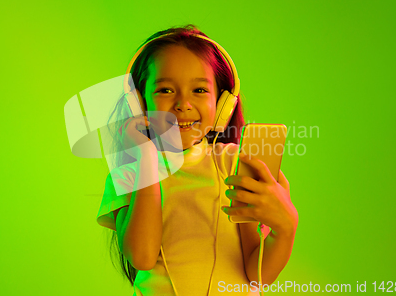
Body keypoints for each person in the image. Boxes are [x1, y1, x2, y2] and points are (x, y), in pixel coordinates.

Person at [96, 25, 298, 295]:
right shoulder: (128, 175)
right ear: (139, 104)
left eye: (199, 91)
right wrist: (146, 159)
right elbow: (142, 257)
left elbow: (256, 275)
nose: (183, 104)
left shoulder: (234, 165)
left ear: (223, 105)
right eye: (165, 90)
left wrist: (285, 228)